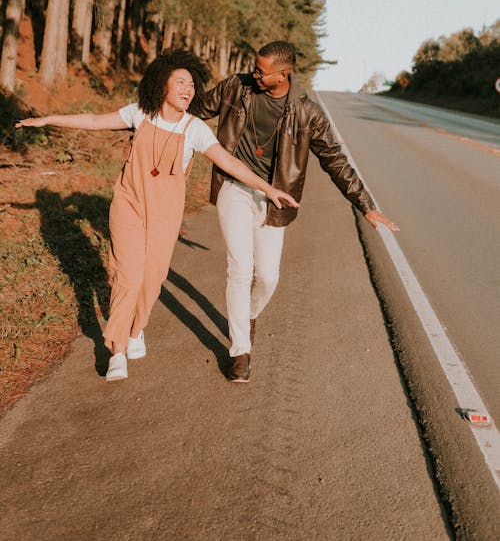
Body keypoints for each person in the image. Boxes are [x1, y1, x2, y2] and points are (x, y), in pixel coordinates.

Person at [16, 49, 297, 383]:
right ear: (161, 86)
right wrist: (49, 119)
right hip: (130, 203)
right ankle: (117, 349)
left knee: (152, 278)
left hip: (166, 212)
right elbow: (95, 121)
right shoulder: (140, 114)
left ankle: (137, 330)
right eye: (180, 81)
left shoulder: (195, 129)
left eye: (192, 84)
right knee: (128, 276)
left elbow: (229, 162)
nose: (187, 89)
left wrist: (268, 188)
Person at [199, 40, 399, 383]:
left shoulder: (308, 112)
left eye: (262, 71)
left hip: (276, 200)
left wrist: (366, 207)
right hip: (234, 187)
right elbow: (193, 111)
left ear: (284, 74)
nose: (254, 74)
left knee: (268, 277)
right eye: (254, 67)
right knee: (240, 269)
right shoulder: (237, 87)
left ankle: (247, 315)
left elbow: (335, 160)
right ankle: (240, 351)